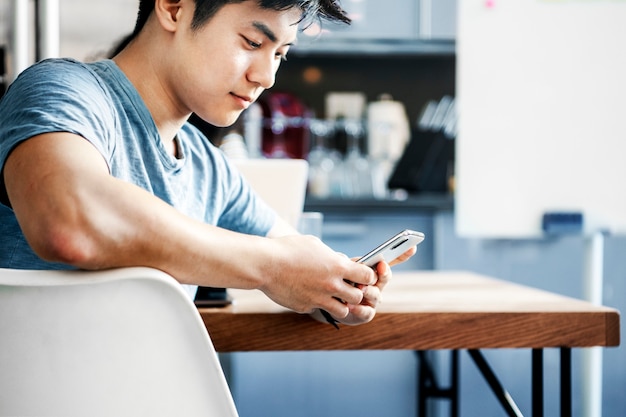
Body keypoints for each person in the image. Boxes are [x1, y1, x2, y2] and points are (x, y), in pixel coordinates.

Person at [0, 0, 416, 326]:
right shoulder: (63, 90)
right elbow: (69, 221)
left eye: (280, 55)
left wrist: (336, 287)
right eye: (252, 43)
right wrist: (273, 268)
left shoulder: (206, 166)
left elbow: (293, 256)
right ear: (175, 7)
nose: (267, 77)